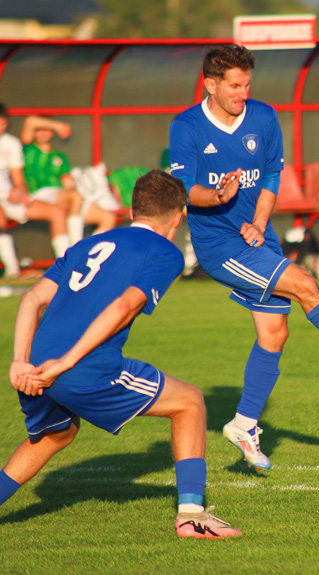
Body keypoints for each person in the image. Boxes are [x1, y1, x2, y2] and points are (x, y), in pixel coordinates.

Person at [169, 44, 319, 471]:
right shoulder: (186, 127)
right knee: (303, 282)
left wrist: (260, 222)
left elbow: (272, 174)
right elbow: (184, 190)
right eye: (235, 86)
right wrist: (219, 194)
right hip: (220, 247)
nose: (243, 93)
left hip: (259, 236)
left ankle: (243, 424)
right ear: (210, 84)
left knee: (274, 336)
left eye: (247, 84)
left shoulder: (262, 116)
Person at [2, 170, 242, 538]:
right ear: (177, 219)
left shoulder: (87, 244)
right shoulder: (165, 252)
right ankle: (193, 518)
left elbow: (32, 298)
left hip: (34, 360)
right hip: (78, 367)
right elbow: (125, 305)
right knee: (190, 402)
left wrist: (19, 360)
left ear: (132, 211)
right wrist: (65, 364)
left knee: (56, 434)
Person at [20, 115, 117, 246]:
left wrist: (74, 199)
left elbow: (67, 184)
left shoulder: (60, 157)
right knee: (75, 197)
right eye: (39, 129)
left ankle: (86, 253)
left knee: (108, 218)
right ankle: (75, 248)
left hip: (61, 197)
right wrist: (58, 126)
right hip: (38, 195)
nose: (43, 133)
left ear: (53, 134)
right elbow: (30, 121)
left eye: (47, 129)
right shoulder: (28, 149)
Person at [0, 105, 70, 278]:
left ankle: (65, 268)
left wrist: (20, 193)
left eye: (3, 124)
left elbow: (18, 179)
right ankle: (12, 270)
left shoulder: (11, 143)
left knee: (57, 212)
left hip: (9, 198)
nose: (0, 127)